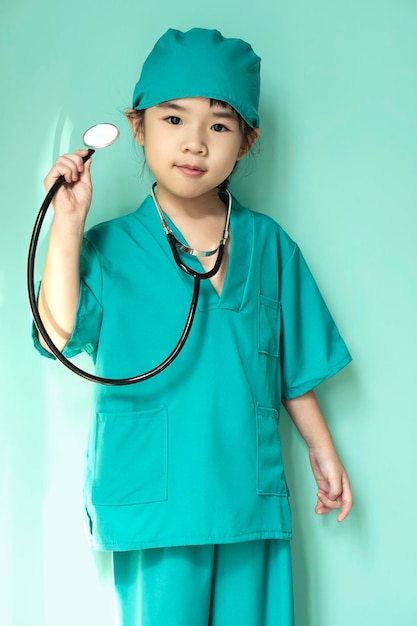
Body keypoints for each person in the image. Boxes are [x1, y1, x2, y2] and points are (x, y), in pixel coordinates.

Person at [33, 27, 353, 626]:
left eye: (220, 125)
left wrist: (322, 449)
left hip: (246, 496)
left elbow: (292, 363)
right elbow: (57, 332)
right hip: (157, 504)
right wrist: (68, 225)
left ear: (247, 142)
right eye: (174, 119)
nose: (196, 143)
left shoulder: (270, 247)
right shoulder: (109, 248)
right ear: (137, 128)